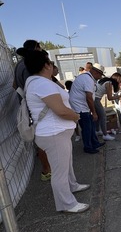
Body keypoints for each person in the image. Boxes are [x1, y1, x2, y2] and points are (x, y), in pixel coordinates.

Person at [19, 48, 90, 213]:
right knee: (59, 171)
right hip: (53, 133)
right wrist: (76, 116)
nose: (52, 66)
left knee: (66, 164)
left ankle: (72, 185)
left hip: (55, 132)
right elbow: (61, 110)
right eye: (50, 62)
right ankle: (67, 203)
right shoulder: (42, 83)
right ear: (46, 65)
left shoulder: (37, 81)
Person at [13, 40, 51, 181]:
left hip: (27, 105)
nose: (41, 49)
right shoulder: (30, 65)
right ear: (35, 48)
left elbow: (14, 85)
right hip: (36, 107)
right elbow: (37, 88)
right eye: (39, 47)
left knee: (39, 138)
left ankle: (47, 167)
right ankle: (47, 169)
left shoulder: (18, 65)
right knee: (42, 138)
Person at [69, 63, 106, 154]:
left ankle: (95, 143)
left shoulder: (87, 78)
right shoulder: (88, 79)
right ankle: (88, 147)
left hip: (82, 106)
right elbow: (89, 97)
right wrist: (94, 112)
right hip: (80, 107)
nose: (100, 77)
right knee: (87, 128)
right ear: (95, 72)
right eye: (100, 75)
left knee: (91, 126)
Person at [94, 72, 121, 141]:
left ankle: (97, 130)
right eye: (120, 80)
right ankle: (105, 135)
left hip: (95, 99)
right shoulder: (109, 83)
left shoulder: (106, 81)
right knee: (103, 116)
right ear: (117, 78)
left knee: (98, 116)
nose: (120, 82)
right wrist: (120, 96)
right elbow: (109, 98)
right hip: (96, 99)